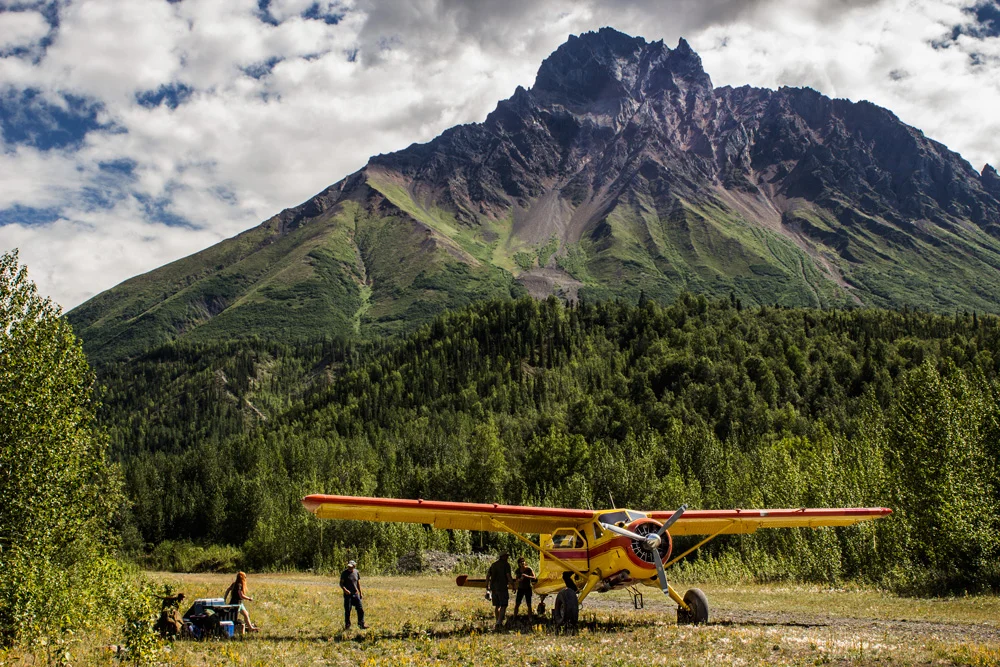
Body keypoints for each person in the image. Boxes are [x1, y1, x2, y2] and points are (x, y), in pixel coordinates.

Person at [485, 552, 515, 629]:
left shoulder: (494, 564)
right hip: (502, 587)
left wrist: (487, 585)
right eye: (506, 556)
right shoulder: (506, 565)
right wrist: (513, 585)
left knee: (497, 605)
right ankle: (499, 622)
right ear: (503, 557)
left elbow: (488, 575)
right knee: (504, 605)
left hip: (493, 588)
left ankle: (497, 621)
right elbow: (508, 575)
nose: (507, 557)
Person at [340, 560, 368, 629]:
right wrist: (345, 590)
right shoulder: (344, 573)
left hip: (356, 594)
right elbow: (341, 584)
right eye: (349, 566)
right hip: (348, 595)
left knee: (360, 609)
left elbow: (357, 583)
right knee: (348, 610)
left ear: (354, 566)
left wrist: (360, 592)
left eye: (351, 567)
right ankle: (347, 625)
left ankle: (361, 624)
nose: (349, 568)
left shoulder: (356, 572)